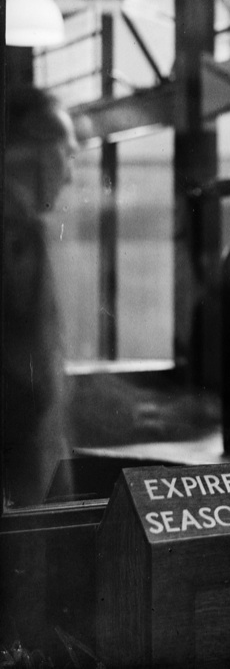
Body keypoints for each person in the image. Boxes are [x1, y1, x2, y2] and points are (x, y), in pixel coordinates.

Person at [2, 84, 79, 506]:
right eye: (68, 153)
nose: (69, 174)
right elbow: (25, 387)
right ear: (36, 152)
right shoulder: (18, 235)